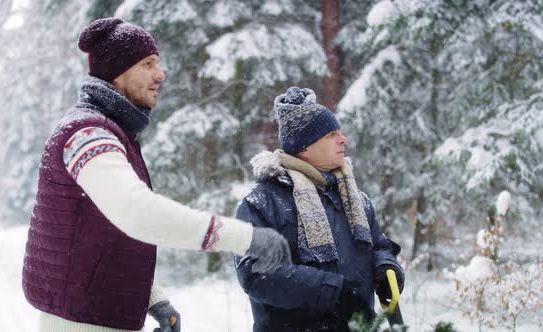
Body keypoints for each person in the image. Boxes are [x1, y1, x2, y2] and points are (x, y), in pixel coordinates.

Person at [21, 18, 291, 332]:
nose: (160, 74)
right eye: (148, 64)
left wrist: (152, 299)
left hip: (92, 317)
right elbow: (136, 211)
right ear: (117, 73)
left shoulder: (107, 130)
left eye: (158, 64)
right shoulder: (87, 134)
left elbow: (104, 233)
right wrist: (243, 237)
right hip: (83, 324)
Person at [234, 87, 405, 331]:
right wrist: (333, 292)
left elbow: (379, 246)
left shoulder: (355, 199)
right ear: (304, 147)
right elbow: (257, 274)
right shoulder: (262, 203)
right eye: (331, 134)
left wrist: (386, 267)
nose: (342, 139)